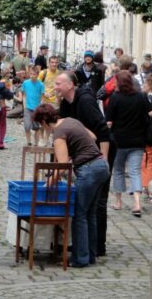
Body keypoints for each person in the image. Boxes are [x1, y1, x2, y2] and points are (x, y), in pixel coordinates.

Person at [33, 103, 110, 268]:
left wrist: (47, 184)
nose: (42, 128)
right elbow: (93, 137)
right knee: (90, 214)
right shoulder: (71, 121)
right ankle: (90, 256)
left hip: (89, 170)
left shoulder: (58, 134)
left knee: (79, 214)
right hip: (102, 166)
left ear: (45, 121)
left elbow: (61, 165)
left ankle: (80, 259)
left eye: (41, 124)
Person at [106, 71, 152, 217]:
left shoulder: (115, 98)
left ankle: (118, 201)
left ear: (119, 83)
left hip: (120, 141)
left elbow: (109, 121)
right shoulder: (141, 96)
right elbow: (149, 114)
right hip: (138, 140)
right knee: (134, 171)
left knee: (119, 170)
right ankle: (137, 203)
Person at [141, 74, 152, 204]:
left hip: (148, 134)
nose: (143, 86)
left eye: (145, 84)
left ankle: (149, 189)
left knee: (148, 162)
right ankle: (151, 188)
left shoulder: (146, 98)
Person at [20, 66, 45, 147]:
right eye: (31, 74)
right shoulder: (26, 83)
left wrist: (40, 107)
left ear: (37, 75)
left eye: (34, 74)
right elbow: (23, 95)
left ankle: (36, 143)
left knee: (36, 127)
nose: (32, 75)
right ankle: (28, 141)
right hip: (27, 107)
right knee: (27, 126)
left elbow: (42, 98)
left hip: (36, 108)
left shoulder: (41, 84)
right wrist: (24, 106)